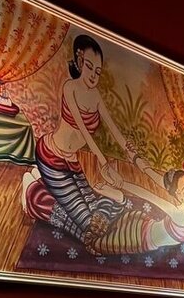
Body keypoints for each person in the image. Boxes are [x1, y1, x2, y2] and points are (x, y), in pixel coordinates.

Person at [22, 33, 129, 241]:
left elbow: (114, 129)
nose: (93, 76)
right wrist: (104, 163)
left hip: (72, 162)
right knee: (89, 227)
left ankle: (42, 182)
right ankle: (32, 193)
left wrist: (130, 151)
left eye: (98, 71)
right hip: (50, 156)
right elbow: (84, 131)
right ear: (80, 62)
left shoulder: (95, 96)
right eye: (89, 67)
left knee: (100, 213)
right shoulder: (70, 87)